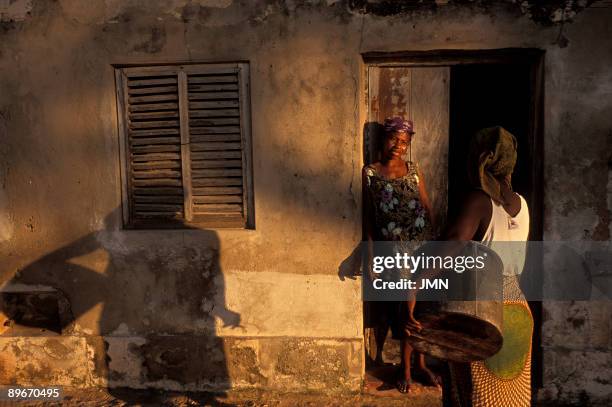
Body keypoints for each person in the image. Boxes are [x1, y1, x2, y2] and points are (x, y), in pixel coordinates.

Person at [434, 126, 533, 406]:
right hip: (518, 310)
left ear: (480, 158)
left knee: (475, 398)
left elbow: (452, 243)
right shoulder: (522, 204)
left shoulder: (479, 200)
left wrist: (416, 281)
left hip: (483, 311)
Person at [362, 116, 439, 393]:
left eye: (404, 142)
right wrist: (371, 254)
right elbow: (369, 218)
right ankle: (406, 370)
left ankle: (420, 365)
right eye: (394, 139)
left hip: (421, 247)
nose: (398, 146)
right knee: (404, 311)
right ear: (385, 139)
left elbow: (427, 205)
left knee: (418, 310)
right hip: (395, 253)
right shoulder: (370, 172)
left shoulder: (414, 169)